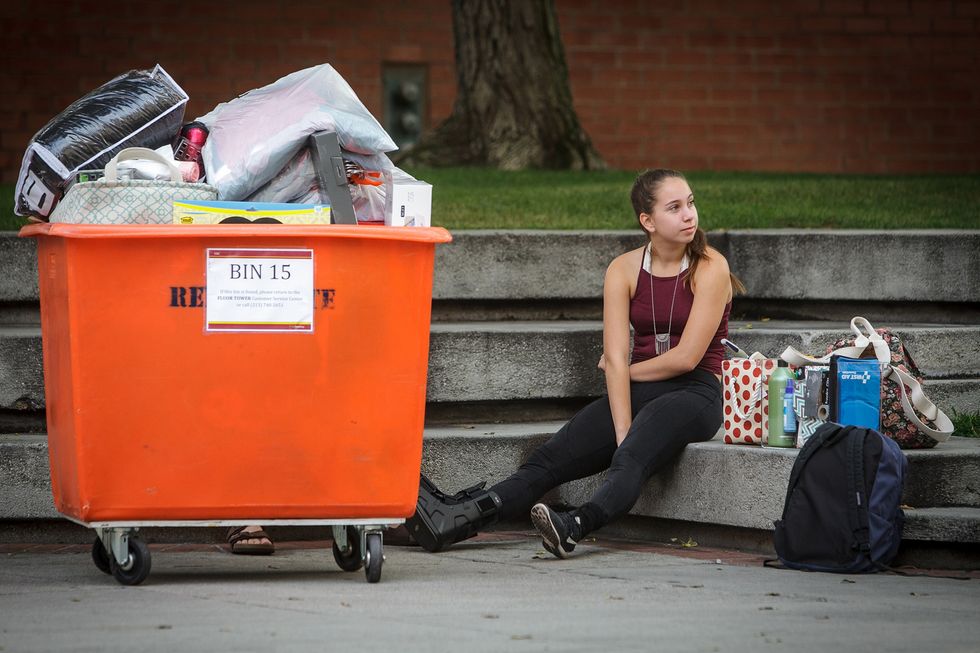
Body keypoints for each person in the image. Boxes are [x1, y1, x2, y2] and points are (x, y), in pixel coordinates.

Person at [406, 168, 746, 558]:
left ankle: (574, 526)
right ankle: (459, 516)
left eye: (690, 203)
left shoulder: (710, 267)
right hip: (638, 391)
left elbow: (686, 358)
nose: (689, 214)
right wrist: (622, 426)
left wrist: (625, 375)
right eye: (674, 207)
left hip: (696, 392)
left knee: (631, 457)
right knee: (549, 459)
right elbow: (613, 355)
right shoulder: (623, 269)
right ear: (647, 221)